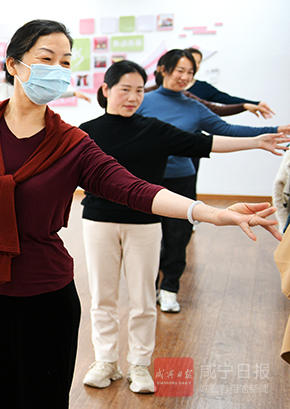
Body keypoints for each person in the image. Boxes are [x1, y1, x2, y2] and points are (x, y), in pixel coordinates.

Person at [0, 19, 282, 408]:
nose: (58, 69)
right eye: (47, 58)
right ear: (13, 65)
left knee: (42, 398)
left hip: (44, 294)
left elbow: (134, 189)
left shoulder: (72, 143)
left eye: (66, 62)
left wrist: (210, 213)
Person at [79, 60, 287, 394]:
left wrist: (256, 141)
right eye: (124, 90)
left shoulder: (155, 129)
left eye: (137, 91)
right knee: (102, 298)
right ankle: (105, 361)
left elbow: (206, 143)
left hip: (145, 223)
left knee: (144, 299)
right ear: (106, 91)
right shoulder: (87, 132)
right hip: (98, 221)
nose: (132, 97)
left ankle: (140, 365)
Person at [138, 49, 289, 313]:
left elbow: (226, 130)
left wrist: (271, 131)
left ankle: (170, 288)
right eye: (180, 71)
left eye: (190, 73)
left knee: (177, 237)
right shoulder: (142, 101)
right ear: (162, 69)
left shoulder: (193, 106)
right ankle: (149, 289)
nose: (185, 77)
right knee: (148, 237)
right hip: (147, 179)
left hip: (181, 178)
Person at [185, 47, 275, 119]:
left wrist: (256, 104)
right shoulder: (173, 89)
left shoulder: (203, 87)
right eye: (193, 60)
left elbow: (226, 101)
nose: (196, 65)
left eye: (199, 62)